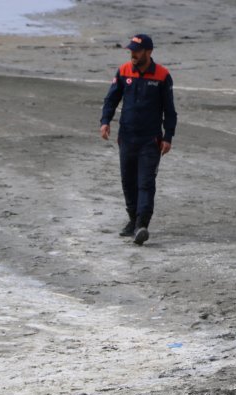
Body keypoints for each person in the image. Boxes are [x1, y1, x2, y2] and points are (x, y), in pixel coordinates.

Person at [100, 33, 177, 246]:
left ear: (148, 52)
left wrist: (168, 136)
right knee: (128, 181)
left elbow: (170, 110)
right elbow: (111, 99)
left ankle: (142, 224)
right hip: (126, 137)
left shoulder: (162, 75)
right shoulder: (124, 71)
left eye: (137, 50)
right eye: (131, 50)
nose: (133, 54)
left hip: (150, 140)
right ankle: (133, 220)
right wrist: (105, 121)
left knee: (146, 182)